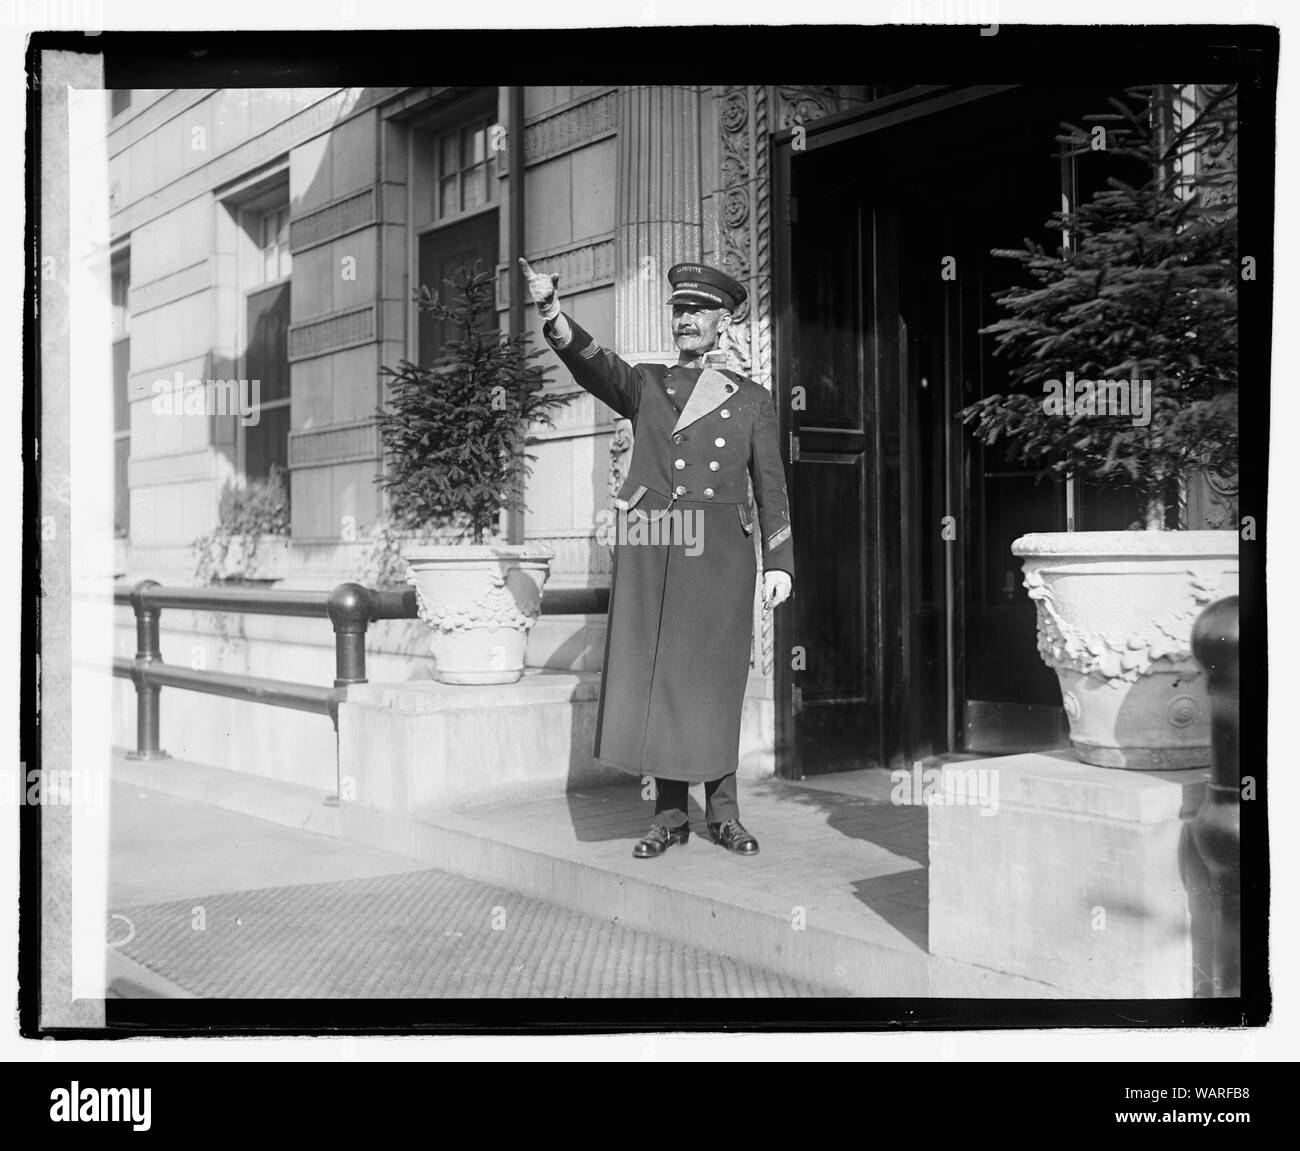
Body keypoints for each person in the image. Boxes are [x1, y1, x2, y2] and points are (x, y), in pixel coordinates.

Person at [519, 257, 794, 858]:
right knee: (662, 680)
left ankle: (724, 815)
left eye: (698, 311)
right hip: (657, 545)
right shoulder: (646, 384)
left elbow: (770, 483)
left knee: (715, 683)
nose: (686, 320)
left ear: (726, 322)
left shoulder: (752, 400)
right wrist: (552, 313)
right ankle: (668, 817)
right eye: (679, 310)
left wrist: (779, 561)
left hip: (720, 552)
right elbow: (595, 366)